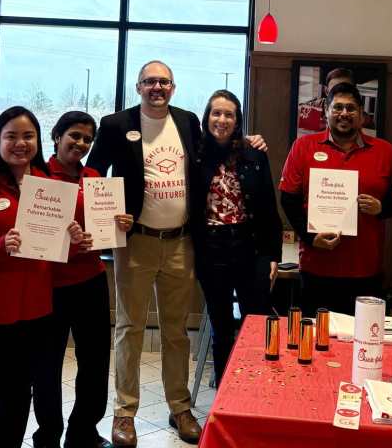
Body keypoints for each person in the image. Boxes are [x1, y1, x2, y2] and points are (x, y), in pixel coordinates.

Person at [86, 60, 265, 447]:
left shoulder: (187, 122)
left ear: (174, 87)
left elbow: (219, 154)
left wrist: (251, 142)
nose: (157, 87)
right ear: (138, 86)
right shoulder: (117, 125)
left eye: (164, 82)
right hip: (135, 242)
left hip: (183, 242)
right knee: (130, 328)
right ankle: (125, 412)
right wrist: (103, 213)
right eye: (150, 81)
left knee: (176, 331)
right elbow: (92, 175)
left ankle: (180, 406)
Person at [0, 106, 84, 447]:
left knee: (18, 395)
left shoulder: (49, 186)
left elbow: (55, 254)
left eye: (28, 136)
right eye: (11, 136)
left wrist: (72, 242)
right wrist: (0, 245)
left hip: (35, 312)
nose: (20, 143)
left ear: (39, 141)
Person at [32, 111, 133, 448]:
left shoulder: (94, 178)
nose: (81, 143)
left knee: (94, 362)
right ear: (57, 136)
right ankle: (47, 433)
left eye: (87, 139)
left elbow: (104, 232)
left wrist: (120, 224)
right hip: (49, 284)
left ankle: (83, 431)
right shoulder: (37, 177)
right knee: (46, 366)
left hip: (90, 281)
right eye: (74, 135)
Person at [280, 82, 392, 317]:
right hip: (317, 267)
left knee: (361, 342)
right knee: (316, 343)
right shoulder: (303, 146)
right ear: (326, 111)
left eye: (351, 108)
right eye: (338, 107)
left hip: (365, 270)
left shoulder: (385, 151)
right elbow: (288, 200)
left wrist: (381, 208)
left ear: (362, 116)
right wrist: (311, 238)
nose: (344, 114)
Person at [192, 90, 282, 387]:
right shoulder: (195, 153)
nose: (222, 119)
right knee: (221, 325)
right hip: (211, 248)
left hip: (249, 246)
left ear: (237, 120)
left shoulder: (254, 153)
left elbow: (269, 206)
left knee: (255, 321)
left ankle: (256, 387)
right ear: (207, 117)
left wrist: (272, 255)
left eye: (229, 114)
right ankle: (225, 390)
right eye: (216, 113)